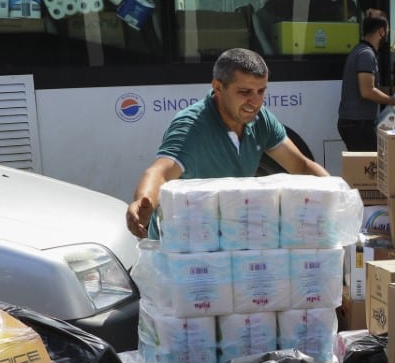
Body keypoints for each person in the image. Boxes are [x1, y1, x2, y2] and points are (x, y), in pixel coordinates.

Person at [126, 47, 327, 239]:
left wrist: (339, 193)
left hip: (225, 238)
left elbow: (300, 165)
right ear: (218, 87)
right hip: (181, 244)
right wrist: (143, 204)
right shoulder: (192, 126)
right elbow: (159, 172)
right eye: (245, 92)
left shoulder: (261, 120)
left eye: (261, 91)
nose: (255, 102)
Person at [337, 11, 395, 151]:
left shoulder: (360, 51)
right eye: (387, 31)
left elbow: (371, 87)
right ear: (381, 31)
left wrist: (392, 90)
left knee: (363, 168)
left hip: (354, 123)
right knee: (369, 168)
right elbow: (367, 91)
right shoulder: (366, 54)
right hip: (358, 125)